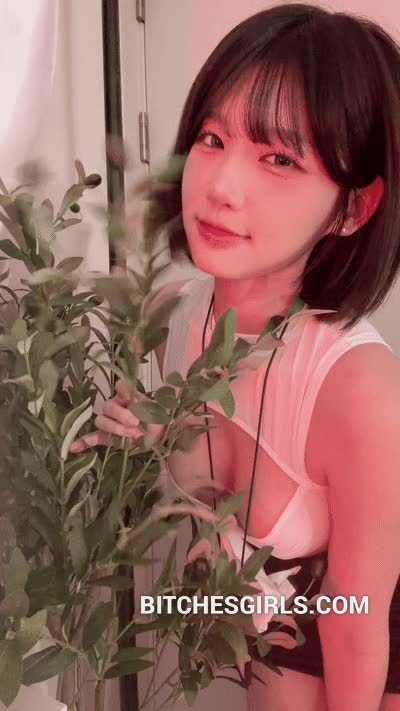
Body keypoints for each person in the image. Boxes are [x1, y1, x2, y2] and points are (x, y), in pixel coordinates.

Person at [69, 3, 400, 710]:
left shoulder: (357, 387)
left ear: (353, 208)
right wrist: (154, 436)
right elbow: (215, 486)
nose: (219, 187)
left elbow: (357, 625)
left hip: (370, 627)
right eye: (213, 138)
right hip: (279, 613)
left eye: (280, 159)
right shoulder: (188, 314)